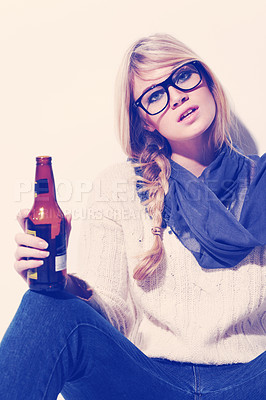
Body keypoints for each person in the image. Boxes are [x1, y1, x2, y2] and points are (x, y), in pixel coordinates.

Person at [0, 33, 265, 400]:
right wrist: (61, 283)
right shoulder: (118, 186)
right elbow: (112, 315)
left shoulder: (261, 182)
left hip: (250, 379)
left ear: (206, 80)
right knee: (43, 306)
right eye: (155, 96)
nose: (177, 97)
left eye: (183, 76)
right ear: (145, 122)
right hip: (145, 379)